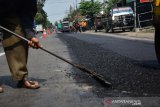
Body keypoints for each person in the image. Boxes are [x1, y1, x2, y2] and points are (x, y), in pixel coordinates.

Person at [0, 0, 42, 93]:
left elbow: (27, 9)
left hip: (9, 11)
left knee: (19, 31)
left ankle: (21, 77)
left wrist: (30, 34)